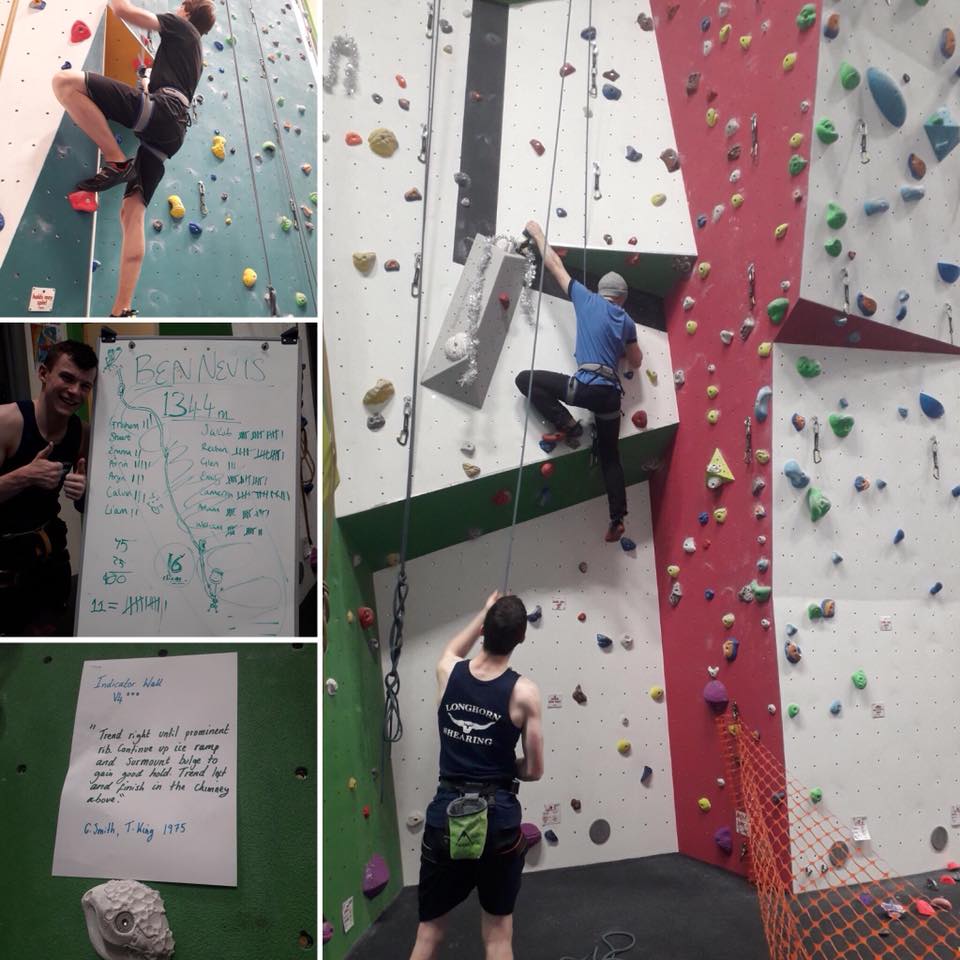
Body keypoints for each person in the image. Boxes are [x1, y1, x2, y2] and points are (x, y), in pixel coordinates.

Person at [50, 0, 216, 318]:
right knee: (131, 214)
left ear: (185, 9)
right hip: (171, 132)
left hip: (163, 111)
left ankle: (116, 160)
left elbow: (123, 11)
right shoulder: (193, 54)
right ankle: (121, 307)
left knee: (64, 83)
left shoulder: (181, 26)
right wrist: (145, 82)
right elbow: (163, 90)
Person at [410, 592, 544, 960]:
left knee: (428, 933)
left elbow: (454, 647)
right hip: (497, 820)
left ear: (484, 630)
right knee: (499, 936)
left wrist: (483, 612)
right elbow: (533, 770)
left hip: (446, 814)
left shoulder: (447, 671)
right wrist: (503, 769)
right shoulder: (525, 693)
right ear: (521, 637)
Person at [515, 220, 643, 544]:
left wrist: (538, 234)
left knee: (526, 380)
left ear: (602, 293)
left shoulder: (586, 299)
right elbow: (637, 359)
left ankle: (569, 426)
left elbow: (555, 265)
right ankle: (618, 517)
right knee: (611, 456)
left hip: (585, 387)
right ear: (622, 300)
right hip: (611, 397)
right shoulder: (626, 320)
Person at [0, 340, 94, 635]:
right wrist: (24, 476)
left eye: (85, 385)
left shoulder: (80, 432)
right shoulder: (7, 422)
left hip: (48, 557)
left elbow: (85, 505)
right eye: (67, 377)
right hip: (3, 566)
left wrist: (83, 491)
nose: (74, 392)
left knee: (48, 641)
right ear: (43, 373)